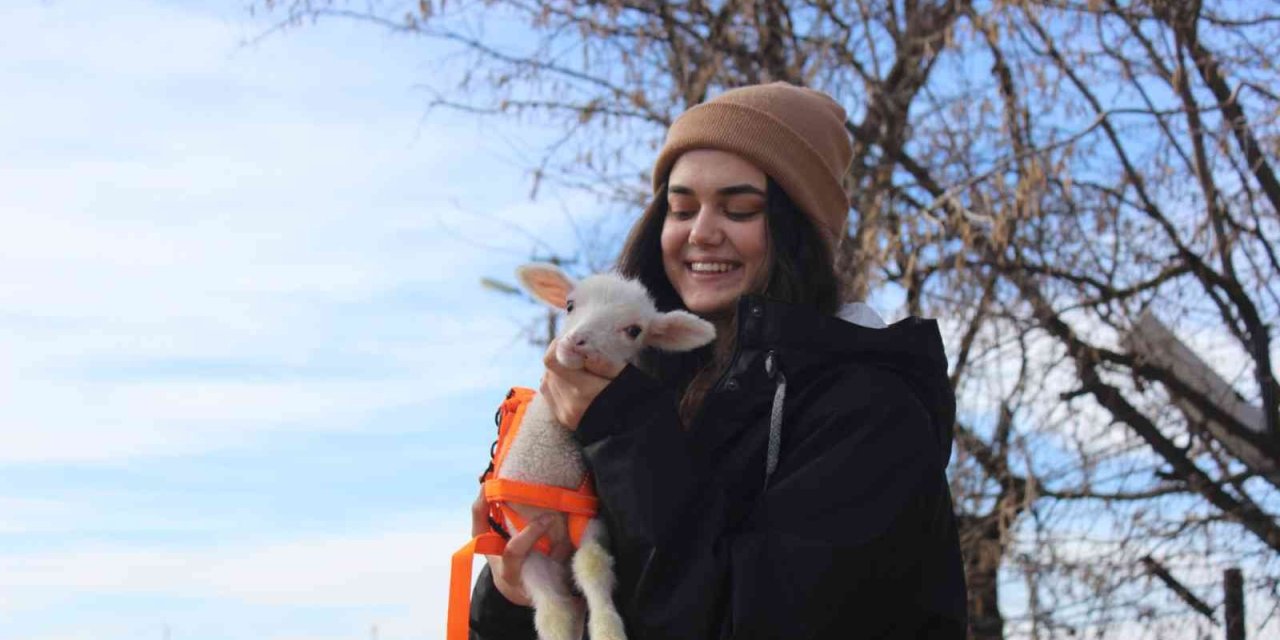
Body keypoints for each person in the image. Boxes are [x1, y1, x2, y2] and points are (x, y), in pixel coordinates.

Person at [468, 82, 968, 638]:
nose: (701, 233)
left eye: (740, 208)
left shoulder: (869, 413)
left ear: (800, 231)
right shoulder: (648, 391)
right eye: (681, 209)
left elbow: (759, 619)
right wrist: (515, 592)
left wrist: (626, 433)